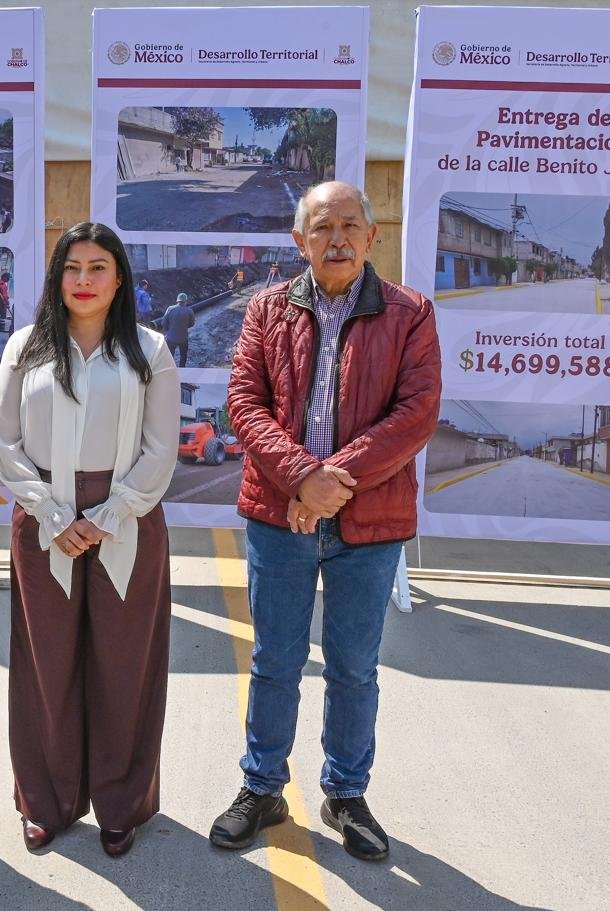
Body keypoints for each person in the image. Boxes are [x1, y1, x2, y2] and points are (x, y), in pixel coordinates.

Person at [210, 181, 441, 862]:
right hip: (280, 515)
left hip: (369, 523)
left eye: (349, 225)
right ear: (298, 241)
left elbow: (416, 413)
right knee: (274, 660)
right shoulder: (266, 309)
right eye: (321, 227)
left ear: (372, 237)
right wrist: (301, 478)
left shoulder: (410, 314)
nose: (336, 238)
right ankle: (262, 787)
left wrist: (332, 480)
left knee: (353, 667)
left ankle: (346, 792)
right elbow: (244, 404)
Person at [0, 222, 179, 858]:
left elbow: (160, 450)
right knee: (47, 665)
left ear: (119, 277)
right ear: (57, 277)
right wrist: (53, 515)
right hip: (44, 519)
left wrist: (105, 517)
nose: (83, 280)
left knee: (126, 665)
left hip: (128, 520)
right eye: (72, 268)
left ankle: (121, 803)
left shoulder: (148, 350)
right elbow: (7, 445)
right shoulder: (26, 347)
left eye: (97, 267)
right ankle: (46, 802)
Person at [158, 291, 196, 367]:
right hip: (183, 338)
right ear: (186, 301)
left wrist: (167, 332)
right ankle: (182, 369)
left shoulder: (170, 309)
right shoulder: (189, 311)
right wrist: (183, 327)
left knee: (170, 356)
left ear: (177, 301)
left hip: (171, 338)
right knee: (183, 355)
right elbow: (192, 324)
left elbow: (163, 323)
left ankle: (170, 370)